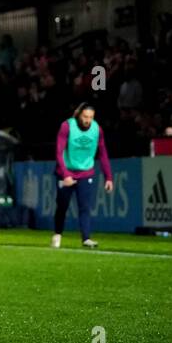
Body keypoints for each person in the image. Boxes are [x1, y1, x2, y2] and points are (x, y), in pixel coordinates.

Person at [51, 102, 114, 249]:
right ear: (79, 115)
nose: (88, 120)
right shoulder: (67, 126)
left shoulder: (97, 129)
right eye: (85, 116)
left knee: (85, 207)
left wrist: (109, 177)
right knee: (62, 206)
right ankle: (58, 233)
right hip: (65, 173)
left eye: (91, 117)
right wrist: (66, 174)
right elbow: (59, 152)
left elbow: (103, 154)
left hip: (86, 173)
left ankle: (86, 238)